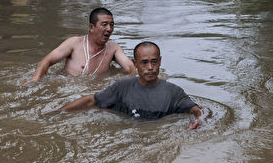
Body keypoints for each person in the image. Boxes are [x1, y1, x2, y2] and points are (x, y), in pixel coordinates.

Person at [57, 41, 206, 130]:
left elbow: (197, 110)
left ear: (160, 61)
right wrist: (58, 112)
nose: (150, 67)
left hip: (157, 136)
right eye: (144, 62)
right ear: (135, 64)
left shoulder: (173, 92)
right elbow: (91, 100)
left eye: (154, 62)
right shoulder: (121, 87)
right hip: (129, 135)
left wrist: (199, 120)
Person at [27, 8, 135, 82]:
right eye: (104, 24)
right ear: (91, 27)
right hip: (68, 87)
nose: (109, 29)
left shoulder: (113, 48)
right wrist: (34, 81)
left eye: (112, 25)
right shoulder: (74, 43)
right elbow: (47, 61)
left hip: (95, 90)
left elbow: (130, 67)